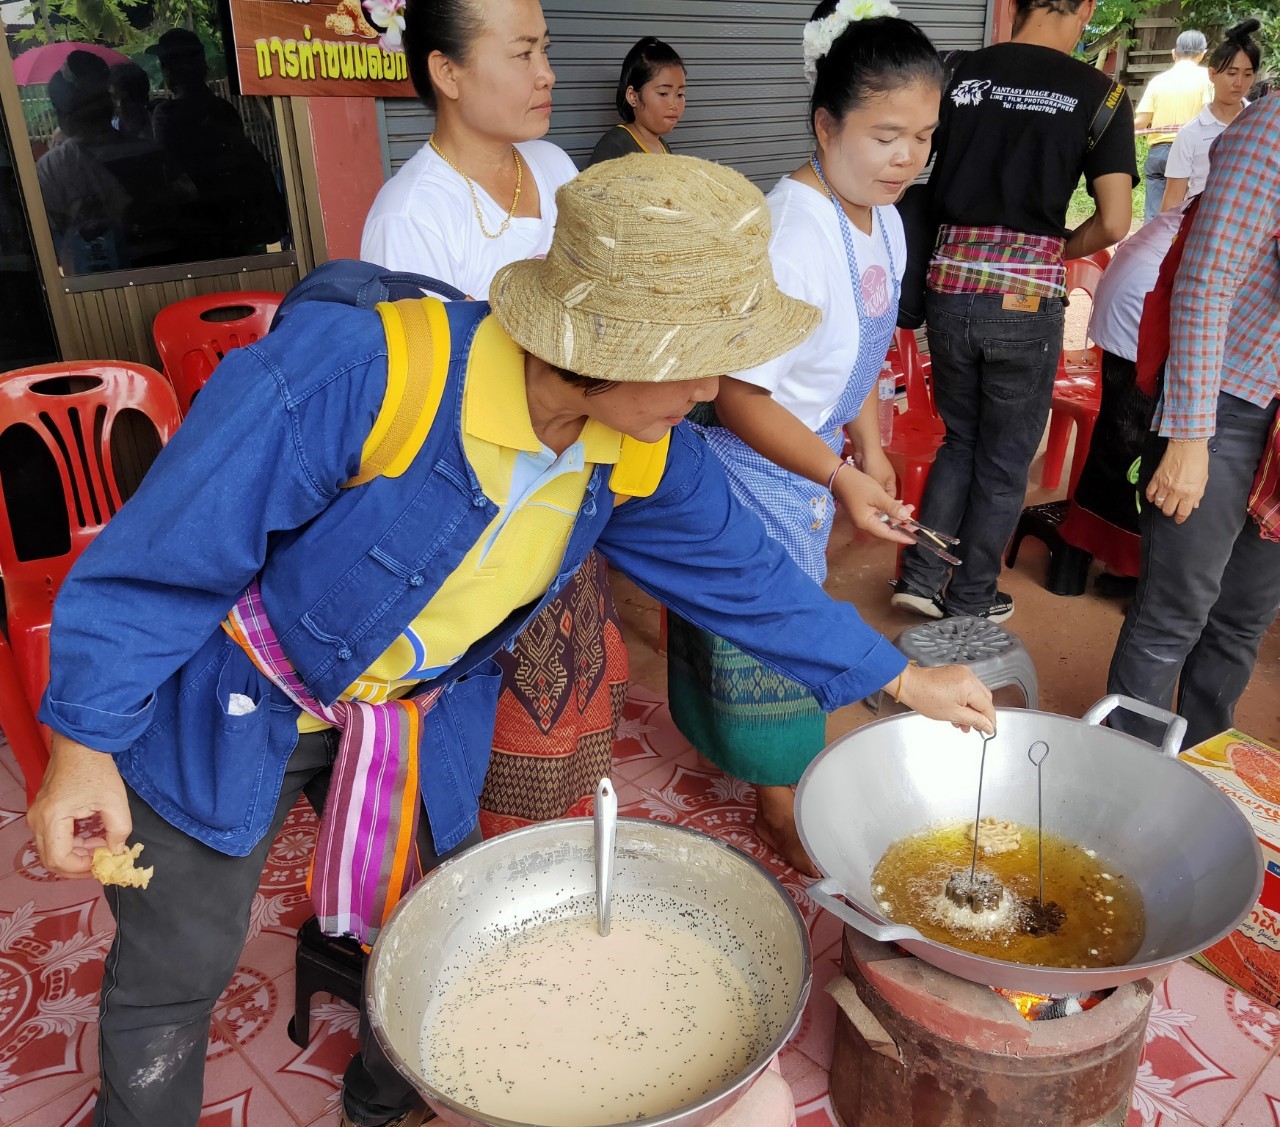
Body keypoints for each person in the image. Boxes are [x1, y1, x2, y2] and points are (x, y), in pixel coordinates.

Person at [29, 153, 996, 1127]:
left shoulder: (637, 447)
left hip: (414, 708)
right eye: (687, 360)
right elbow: (162, 557)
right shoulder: (357, 377)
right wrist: (83, 740)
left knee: (424, 925)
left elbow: (744, 575)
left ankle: (386, 1103)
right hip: (236, 693)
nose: (707, 390)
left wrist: (897, 678)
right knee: (176, 962)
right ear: (595, 344)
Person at [667, 3, 939, 876]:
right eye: (886, 134)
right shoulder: (792, 227)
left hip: (815, 451)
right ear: (826, 125)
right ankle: (779, 806)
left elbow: (863, 344)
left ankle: (770, 772)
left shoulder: (884, 216)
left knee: (778, 629)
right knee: (763, 638)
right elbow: (741, 397)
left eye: (924, 137)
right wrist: (837, 472)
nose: (907, 157)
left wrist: (873, 446)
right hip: (755, 461)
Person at [361, 0, 625, 837]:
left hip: (568, 499)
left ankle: (570, 858)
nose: (547, 73)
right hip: (475, 524)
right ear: (447, 72)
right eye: (521, 53)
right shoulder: (412, 217)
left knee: (583, 702)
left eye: (545, 48)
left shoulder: (552, 167)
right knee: (498, 738)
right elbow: (420, 406)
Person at [890, 0, 1136, 624]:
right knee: (1003, 460)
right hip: (1025, 305)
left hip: (948, 290)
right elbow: (1113, 220)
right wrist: (1050, 254)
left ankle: (920, 578)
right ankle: (970, 597)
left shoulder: (957, 72)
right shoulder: (1100, 96)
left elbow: (907, 163)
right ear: (1083, 7)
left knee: (959, 439)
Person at [1107, 94, 1280, 750]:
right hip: (1227, 408)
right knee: (1172, 617)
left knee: (1240, 622)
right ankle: (1126, 781)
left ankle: (1204, 770)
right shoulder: (1274, 129)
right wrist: (1189, 434)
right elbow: (1206, 279)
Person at [35, 50, 181, 273]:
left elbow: (49, 240)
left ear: (63, 115)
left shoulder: (52, 167)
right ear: (112, 103)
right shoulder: (150, 153)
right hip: (168, 269)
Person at [148, 28, 288, 259]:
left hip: (202, 229)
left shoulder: (167, 115)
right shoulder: (223, 109)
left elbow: (172, 175)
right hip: (238, 226)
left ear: (170, 69)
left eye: (165, 63)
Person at [1161, 21, 1260, 212]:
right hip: (1202, 230)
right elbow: (1172, 202)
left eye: (1247, 74)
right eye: (1231, 73)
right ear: (1212, 74)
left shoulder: (1262, 126)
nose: (1239, 83)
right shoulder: (1190, 134)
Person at [1135, 29, 1212, 224]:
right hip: (1190, 154)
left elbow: (1141, 122)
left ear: (1174, 53)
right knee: (1185, 216)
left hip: (1158, 154)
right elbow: (1208, 116)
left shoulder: (1157, 82)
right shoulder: (1207, 80)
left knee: (1153, 217)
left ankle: (1150, 250)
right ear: (1203, 53)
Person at [588, 36, 686, 164]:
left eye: (680, 94)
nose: (674, 104)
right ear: (633, 96)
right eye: (663, 93)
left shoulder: (663, 147)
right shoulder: (615, 146)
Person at [108, 63, 153, 141]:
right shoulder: (112, 126)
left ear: (144, 99)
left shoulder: (156, 131)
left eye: (127, 100)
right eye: (114, 98)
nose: (119, 105)